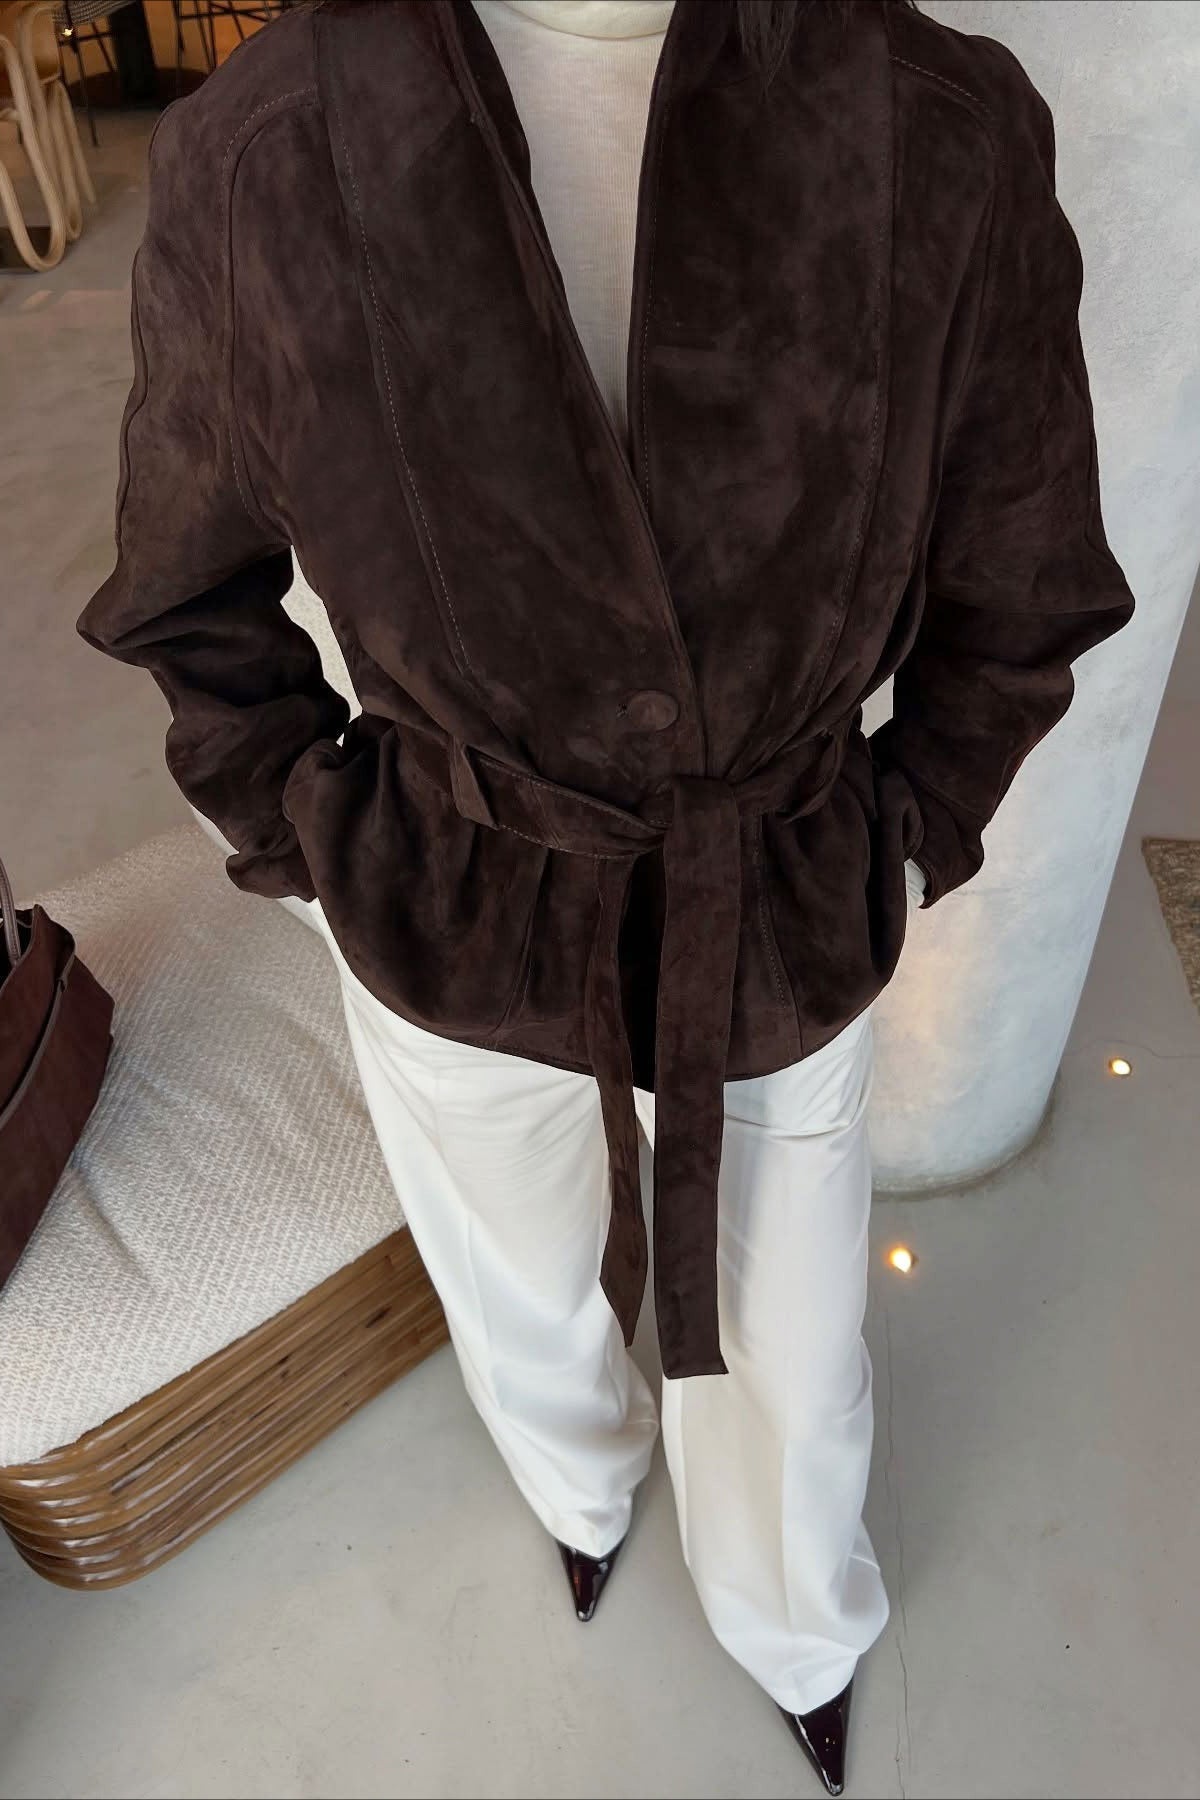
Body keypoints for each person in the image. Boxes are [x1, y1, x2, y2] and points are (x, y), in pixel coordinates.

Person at [77, 1, 1136, 1791]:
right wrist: (316, 850)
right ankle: (579, 1481)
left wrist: (900, 828)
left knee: (790, 1332)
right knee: (512, 1267)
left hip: (773, 900)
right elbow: (188, 589)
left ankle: (794, 1616)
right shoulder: (266, 145)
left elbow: (1027, 578)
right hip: (446, 893)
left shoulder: (938, 122)